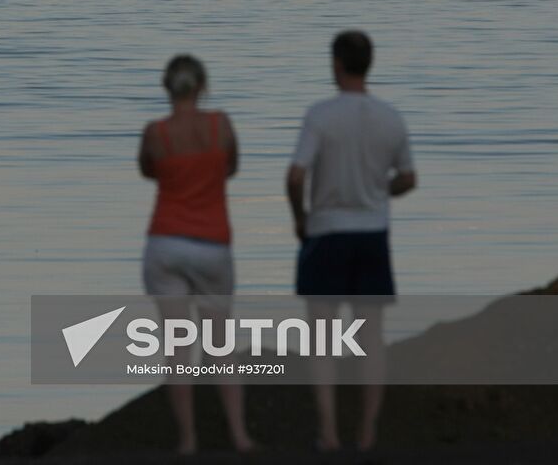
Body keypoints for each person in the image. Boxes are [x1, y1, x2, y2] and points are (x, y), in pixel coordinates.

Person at [286, 31, 417, 458]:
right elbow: (408, 177)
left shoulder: (320, 116)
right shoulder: (390, 117)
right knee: (371, 337)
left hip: (326, 232)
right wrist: (381, 191)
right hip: (372, 233)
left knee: (321, 338)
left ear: (338, 63)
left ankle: (328, 432)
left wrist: (300, 218)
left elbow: (295, 177)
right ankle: (367, 434)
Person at [138, 55, 254, 455]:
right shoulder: (221, 126)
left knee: (176, 345)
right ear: (203, 87)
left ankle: (188, 439)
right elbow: (232, 168)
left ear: (166, 89)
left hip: (166, 241)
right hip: (212, 243)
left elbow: (149, 171)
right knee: (221, 342)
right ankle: (238, 434)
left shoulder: (156, 134)